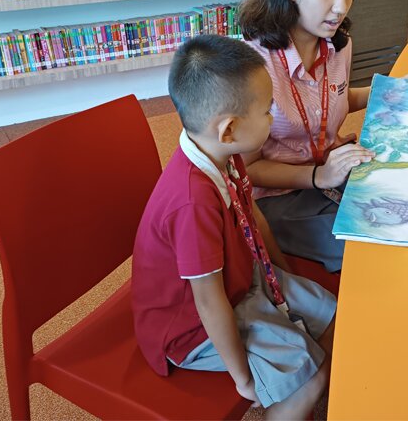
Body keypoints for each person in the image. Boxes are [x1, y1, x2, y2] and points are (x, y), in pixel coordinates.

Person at [132, 35, 336, 419]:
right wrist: (243, 377)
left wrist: (283, 276)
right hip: (190, 327)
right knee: (311, 377)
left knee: (333, 318)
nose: (272, 116)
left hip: (243, 281)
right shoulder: (192, 202)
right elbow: (207, 302)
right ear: (228, 129)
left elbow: (252, 217)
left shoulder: (223, 152)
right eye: (267, 110)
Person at [240, 0, 408, 272]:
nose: (341, 8)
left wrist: (387, 92)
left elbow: (333, 100)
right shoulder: (255, 65)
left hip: (334, 173)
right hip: (279, 198)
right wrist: (318, 177)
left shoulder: (338, 45)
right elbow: (248, 169)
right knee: (376, 252)